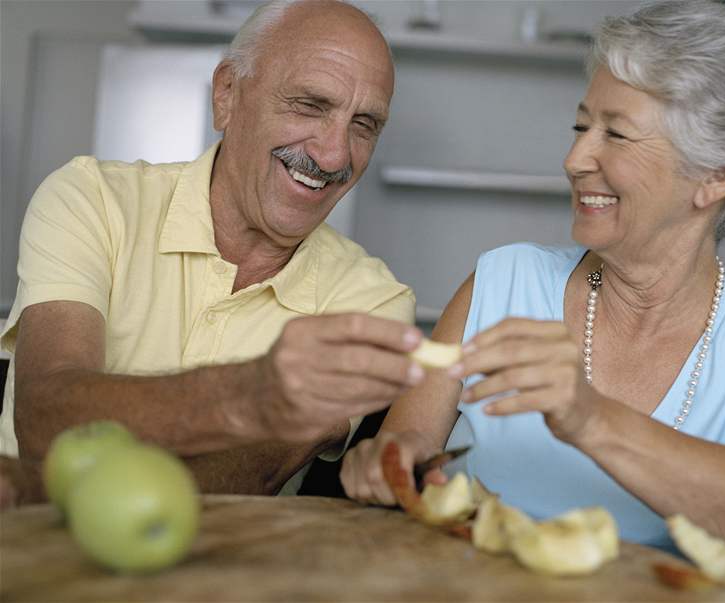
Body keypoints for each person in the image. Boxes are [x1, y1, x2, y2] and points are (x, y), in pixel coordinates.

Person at [341, 0, 725, 562]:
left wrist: (591, 417)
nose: (575, 158)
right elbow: (405, 448)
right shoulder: (502, 279)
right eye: (582, 126)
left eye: (617, 135)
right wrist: (386, 464)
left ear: (718, 175)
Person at [0, 0, 428, 505]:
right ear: (227, 94)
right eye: (310, 105)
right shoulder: (92, 198)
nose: (334, 155)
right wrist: (256, 392)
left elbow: (254, 475)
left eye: (363, 125)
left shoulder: (374, 300)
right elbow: (47, 420)